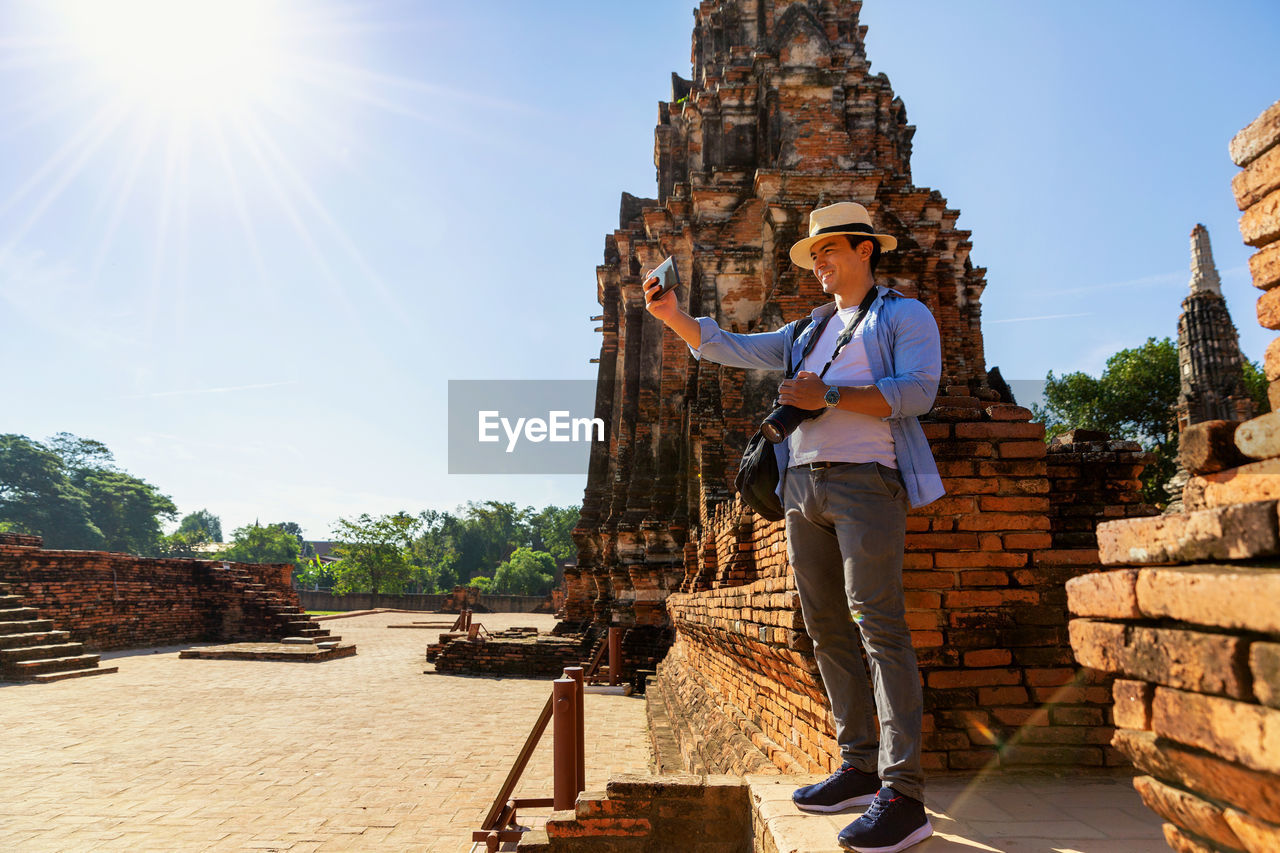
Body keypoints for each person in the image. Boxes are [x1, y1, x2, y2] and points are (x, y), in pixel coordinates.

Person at [644, 202, 943, 853]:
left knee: (878, 624)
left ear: (866, 249)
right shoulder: (809, 330)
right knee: (826, 628)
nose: (821, 266)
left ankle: (904, 792)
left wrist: (828, 397)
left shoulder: (902, 316)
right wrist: (674, 317)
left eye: (831, 251)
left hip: (869, 479)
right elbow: (731, 347)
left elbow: (920, 392)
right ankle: (859, 764)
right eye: (814, 257)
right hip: (801, 488)